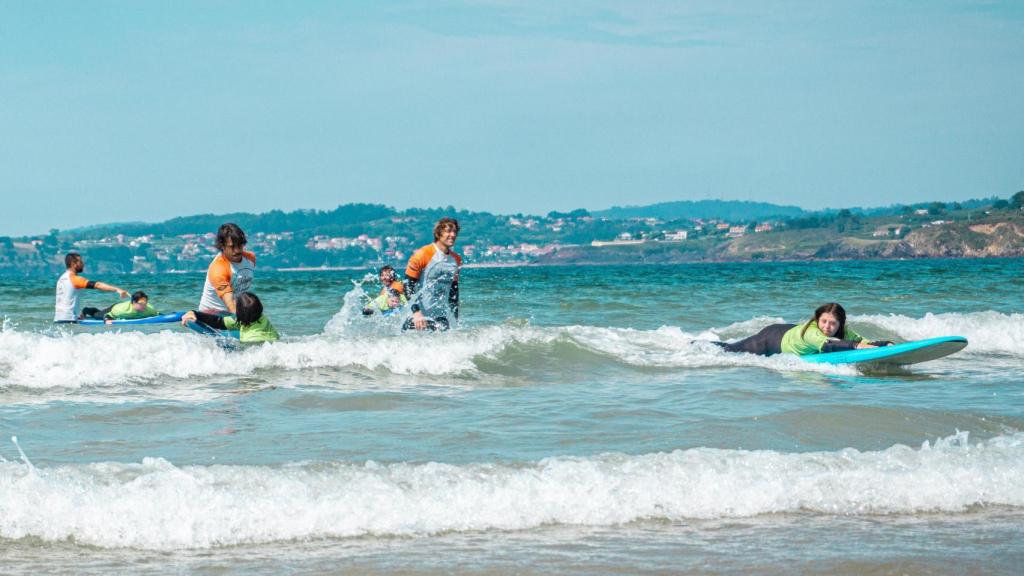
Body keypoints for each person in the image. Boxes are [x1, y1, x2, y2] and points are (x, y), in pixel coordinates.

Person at [714, 303, 892, 356]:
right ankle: (697, 343)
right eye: (823, 321)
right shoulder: (812, 333)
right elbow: (828, 345)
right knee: (729, 349)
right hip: (771, 339)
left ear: (840, 324)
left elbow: (863, 342)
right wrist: (857, 347)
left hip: (790, 332)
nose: (827, 327)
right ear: (817, 320)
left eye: (832, 324)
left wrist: (885, 344)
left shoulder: (843, 332)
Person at [403, 217, 462, 331]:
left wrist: (456, 319)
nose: (453, 235)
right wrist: (416, 313)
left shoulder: (456, 259)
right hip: (417, 318)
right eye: (448, 231)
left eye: (455, 231)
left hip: (440, 317)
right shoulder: (422, 254)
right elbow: (407, 286)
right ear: (438, 233)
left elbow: (453, 291)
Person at [198, 223, 256, 315]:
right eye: (232, 247)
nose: (237, 250)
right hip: (212, 315)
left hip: (235, 312)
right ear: (222, 246)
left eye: (240, 245)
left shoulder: (250, 258)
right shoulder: (218, 268)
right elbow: (230, 304)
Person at [54, 253, 129, 323]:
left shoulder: (61, 278)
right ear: (73, 264)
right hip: (69, 319)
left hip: (59, 318)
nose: (83, 264)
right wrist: (117, 289)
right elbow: (97, 285)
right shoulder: (74, 279)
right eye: (80, 262)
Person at [181, 291, 279, 343]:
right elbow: (220, 322)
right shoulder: (261, 317)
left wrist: (195, 313)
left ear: (239, 313)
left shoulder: (248, 335)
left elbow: (218, 322)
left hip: (251, 347)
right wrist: (196, 314)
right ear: (260, 307)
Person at [81, 290, 159, 321]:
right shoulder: (121, 311)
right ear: (133, 303)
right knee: (97, 315)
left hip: (121, 307)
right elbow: (108, 315)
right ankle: (86, 310)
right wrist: (107, 320)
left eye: (145, 303)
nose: (144, 306)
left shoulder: (149, 309)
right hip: (114, 308)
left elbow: (158, 314)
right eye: (141, 304)